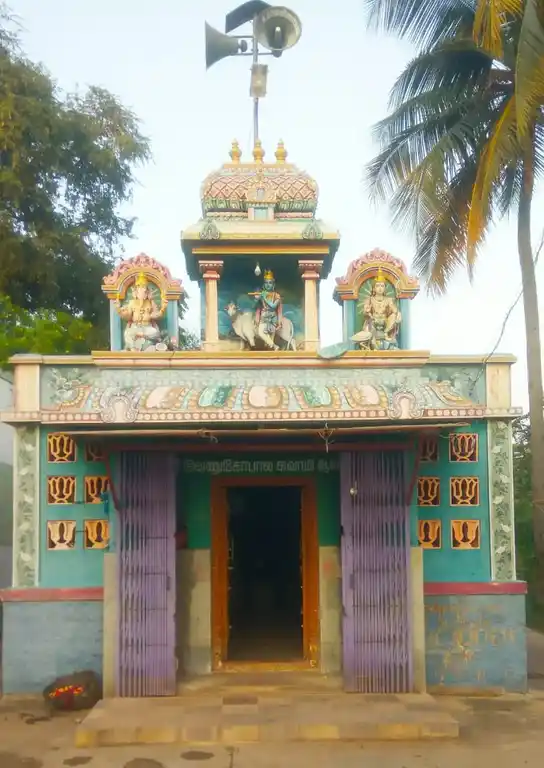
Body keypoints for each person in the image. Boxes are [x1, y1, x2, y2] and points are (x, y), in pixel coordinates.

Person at [115, 272, 167, 351]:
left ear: (147, 292)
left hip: (147, 328)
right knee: (127, 333)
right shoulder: (132, 302)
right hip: (135, 327)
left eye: (144, 288)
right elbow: (128, 316)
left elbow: (156, 315)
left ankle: (143, 340)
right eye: (140, 288)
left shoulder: (150, 302)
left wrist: (163, 308)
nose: (142, 290)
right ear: (136, 291)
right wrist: (119, 309)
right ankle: (132, 348)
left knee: (155, 332)